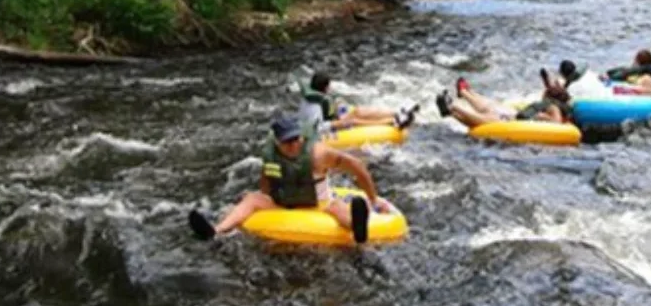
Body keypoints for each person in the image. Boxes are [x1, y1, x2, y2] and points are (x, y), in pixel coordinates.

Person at [187, 116, 391, 243]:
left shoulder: (319, 154)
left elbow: (357, 167)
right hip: (284, 205)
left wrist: (373, 199)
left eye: (296, 138)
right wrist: (262, 200)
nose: (293, 145)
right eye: (287, 142)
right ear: (277, 141)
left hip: (319, 205)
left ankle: (357, 226)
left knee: (338, 208)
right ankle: (216, 231)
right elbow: (266, 181)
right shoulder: (271, 155)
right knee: (252, 199)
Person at [299, 71, 417, 133]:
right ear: (324, 87)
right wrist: (337, 123)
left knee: (358, 111)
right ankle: (390, 123)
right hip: (324, 130)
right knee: (353, 120)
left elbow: (327, 111)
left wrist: (338, 109)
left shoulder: (317, 96)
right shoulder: (313, 106)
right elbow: (316, 128)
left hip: (330, 120)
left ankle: (397, 114)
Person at [435, 76, 571, 128]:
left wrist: (541, 117)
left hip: (512, 119)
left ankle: (460, 100)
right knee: (488, 111)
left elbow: (555, 122)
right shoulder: (552, 106)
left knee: (488, 112)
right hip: (513, 118)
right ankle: (457, 102)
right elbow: (557, 122)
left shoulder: (553, 107)